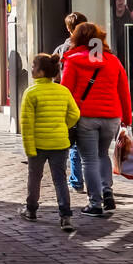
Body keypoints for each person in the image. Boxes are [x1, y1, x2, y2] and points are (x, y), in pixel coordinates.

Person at [61, 22, 132, 218]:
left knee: (89, 159)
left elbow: (65, 92)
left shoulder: (73, 60)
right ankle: (107, 191)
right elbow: (124, 91)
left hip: (86, 117)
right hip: (112, 117)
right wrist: (127, 118)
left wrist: (64, 118)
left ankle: (95, 203)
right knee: (102, 154)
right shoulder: (113, 61)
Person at [18, 53, 78, 233]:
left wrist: (28, 148)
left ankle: (31, 210)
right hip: (60, 143)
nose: (31, 69)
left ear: (41, 72)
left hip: (38, 144)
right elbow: (74, 114)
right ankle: (65, 216)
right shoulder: (63, 91)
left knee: (34, 177)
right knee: (60, 179)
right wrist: (62, 126)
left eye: (34, 67)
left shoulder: (31, 93)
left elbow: (26, 124)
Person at [53, 11, 88, 191]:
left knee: (74, 142)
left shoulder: (62, 49)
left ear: (68, 29)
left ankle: (76, 180)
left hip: (70, 101)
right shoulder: (96, 49)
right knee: (93, 147)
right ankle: (102, 185)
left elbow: (54, 76)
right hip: (91, 102)